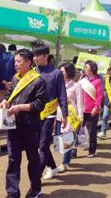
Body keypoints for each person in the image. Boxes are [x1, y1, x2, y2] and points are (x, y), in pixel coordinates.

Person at [0, 49, 47, 198]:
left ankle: (36, 188)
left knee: (33, 158)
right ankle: (12, 192)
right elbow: (10, 95)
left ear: (28, 62)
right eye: (15, 62)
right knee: (13, 159)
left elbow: (40, 104)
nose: (16, 64)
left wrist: (20, 107)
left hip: (31, 126)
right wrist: (5, 101)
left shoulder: (38, 80)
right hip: (14, 125)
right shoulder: (14, 78)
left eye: (19, 61)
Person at [31, 44, 68, 180]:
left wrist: (65, 115)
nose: (35, 58)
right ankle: (52, 167)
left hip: (49, 113)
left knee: (43, 145)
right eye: (33, 55)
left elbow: (62, 95)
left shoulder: (56, 73)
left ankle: (36, 177)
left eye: (37, 55)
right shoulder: (33, 72)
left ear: (46, 56)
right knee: (41, 145)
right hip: (34, 114)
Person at [56, 62, 83, 172]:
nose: (61, 73)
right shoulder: (57, 84)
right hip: (59, 114)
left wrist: (80, 116)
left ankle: (65, 162)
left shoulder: (76, 85)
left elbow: (80, 102)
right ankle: (68, 154)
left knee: (67, 139)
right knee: (58, 138)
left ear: (68, 72)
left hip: (71, 114)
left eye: (63, 71)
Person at [80, 60, 103, 157]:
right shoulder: (83, 80)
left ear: (92, 69)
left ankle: (92, 150)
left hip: (92, 110)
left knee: (92, 131)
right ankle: (77, 149)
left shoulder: (97, 81)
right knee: (79, 130)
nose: (84, 69)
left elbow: (99, 96)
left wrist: (95, 107)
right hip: (82, 110)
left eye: (86, 67)